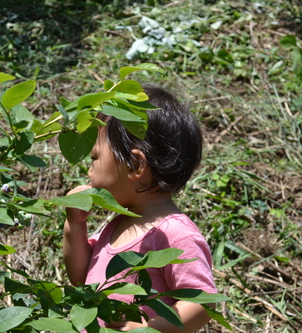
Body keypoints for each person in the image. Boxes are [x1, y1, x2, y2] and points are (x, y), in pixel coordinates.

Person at [63, 85, 217, 332]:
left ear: (135, 165)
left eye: (94, 158)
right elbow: (81, 279)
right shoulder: (118, 223)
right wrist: (75, 225)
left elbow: (201, 302)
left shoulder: (174, 233)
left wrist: (147, 330)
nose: (88, 170)